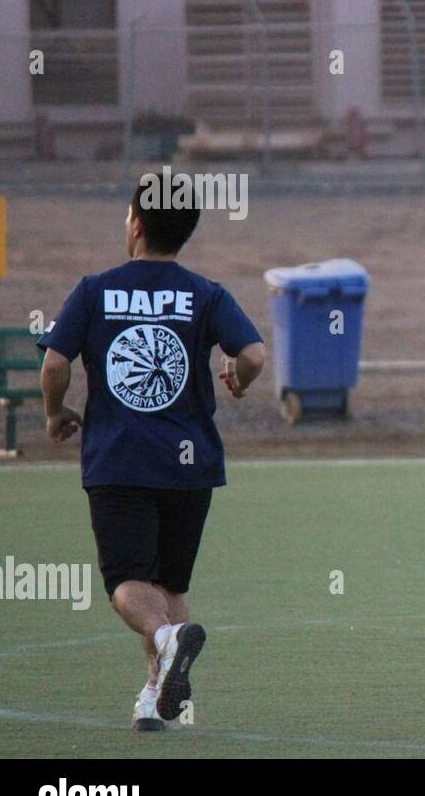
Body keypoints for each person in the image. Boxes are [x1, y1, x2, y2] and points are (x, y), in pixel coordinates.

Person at [38, 179, 265, 731]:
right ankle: (154, 700)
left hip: (121, 461)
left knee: (127, 583)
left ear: (135, 224)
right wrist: (237, 376)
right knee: (170, 586)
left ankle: (165, 641)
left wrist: (55, 411)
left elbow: (54, 363)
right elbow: (254, 352)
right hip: (191, 467)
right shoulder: (205, 293)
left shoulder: (94, 290)